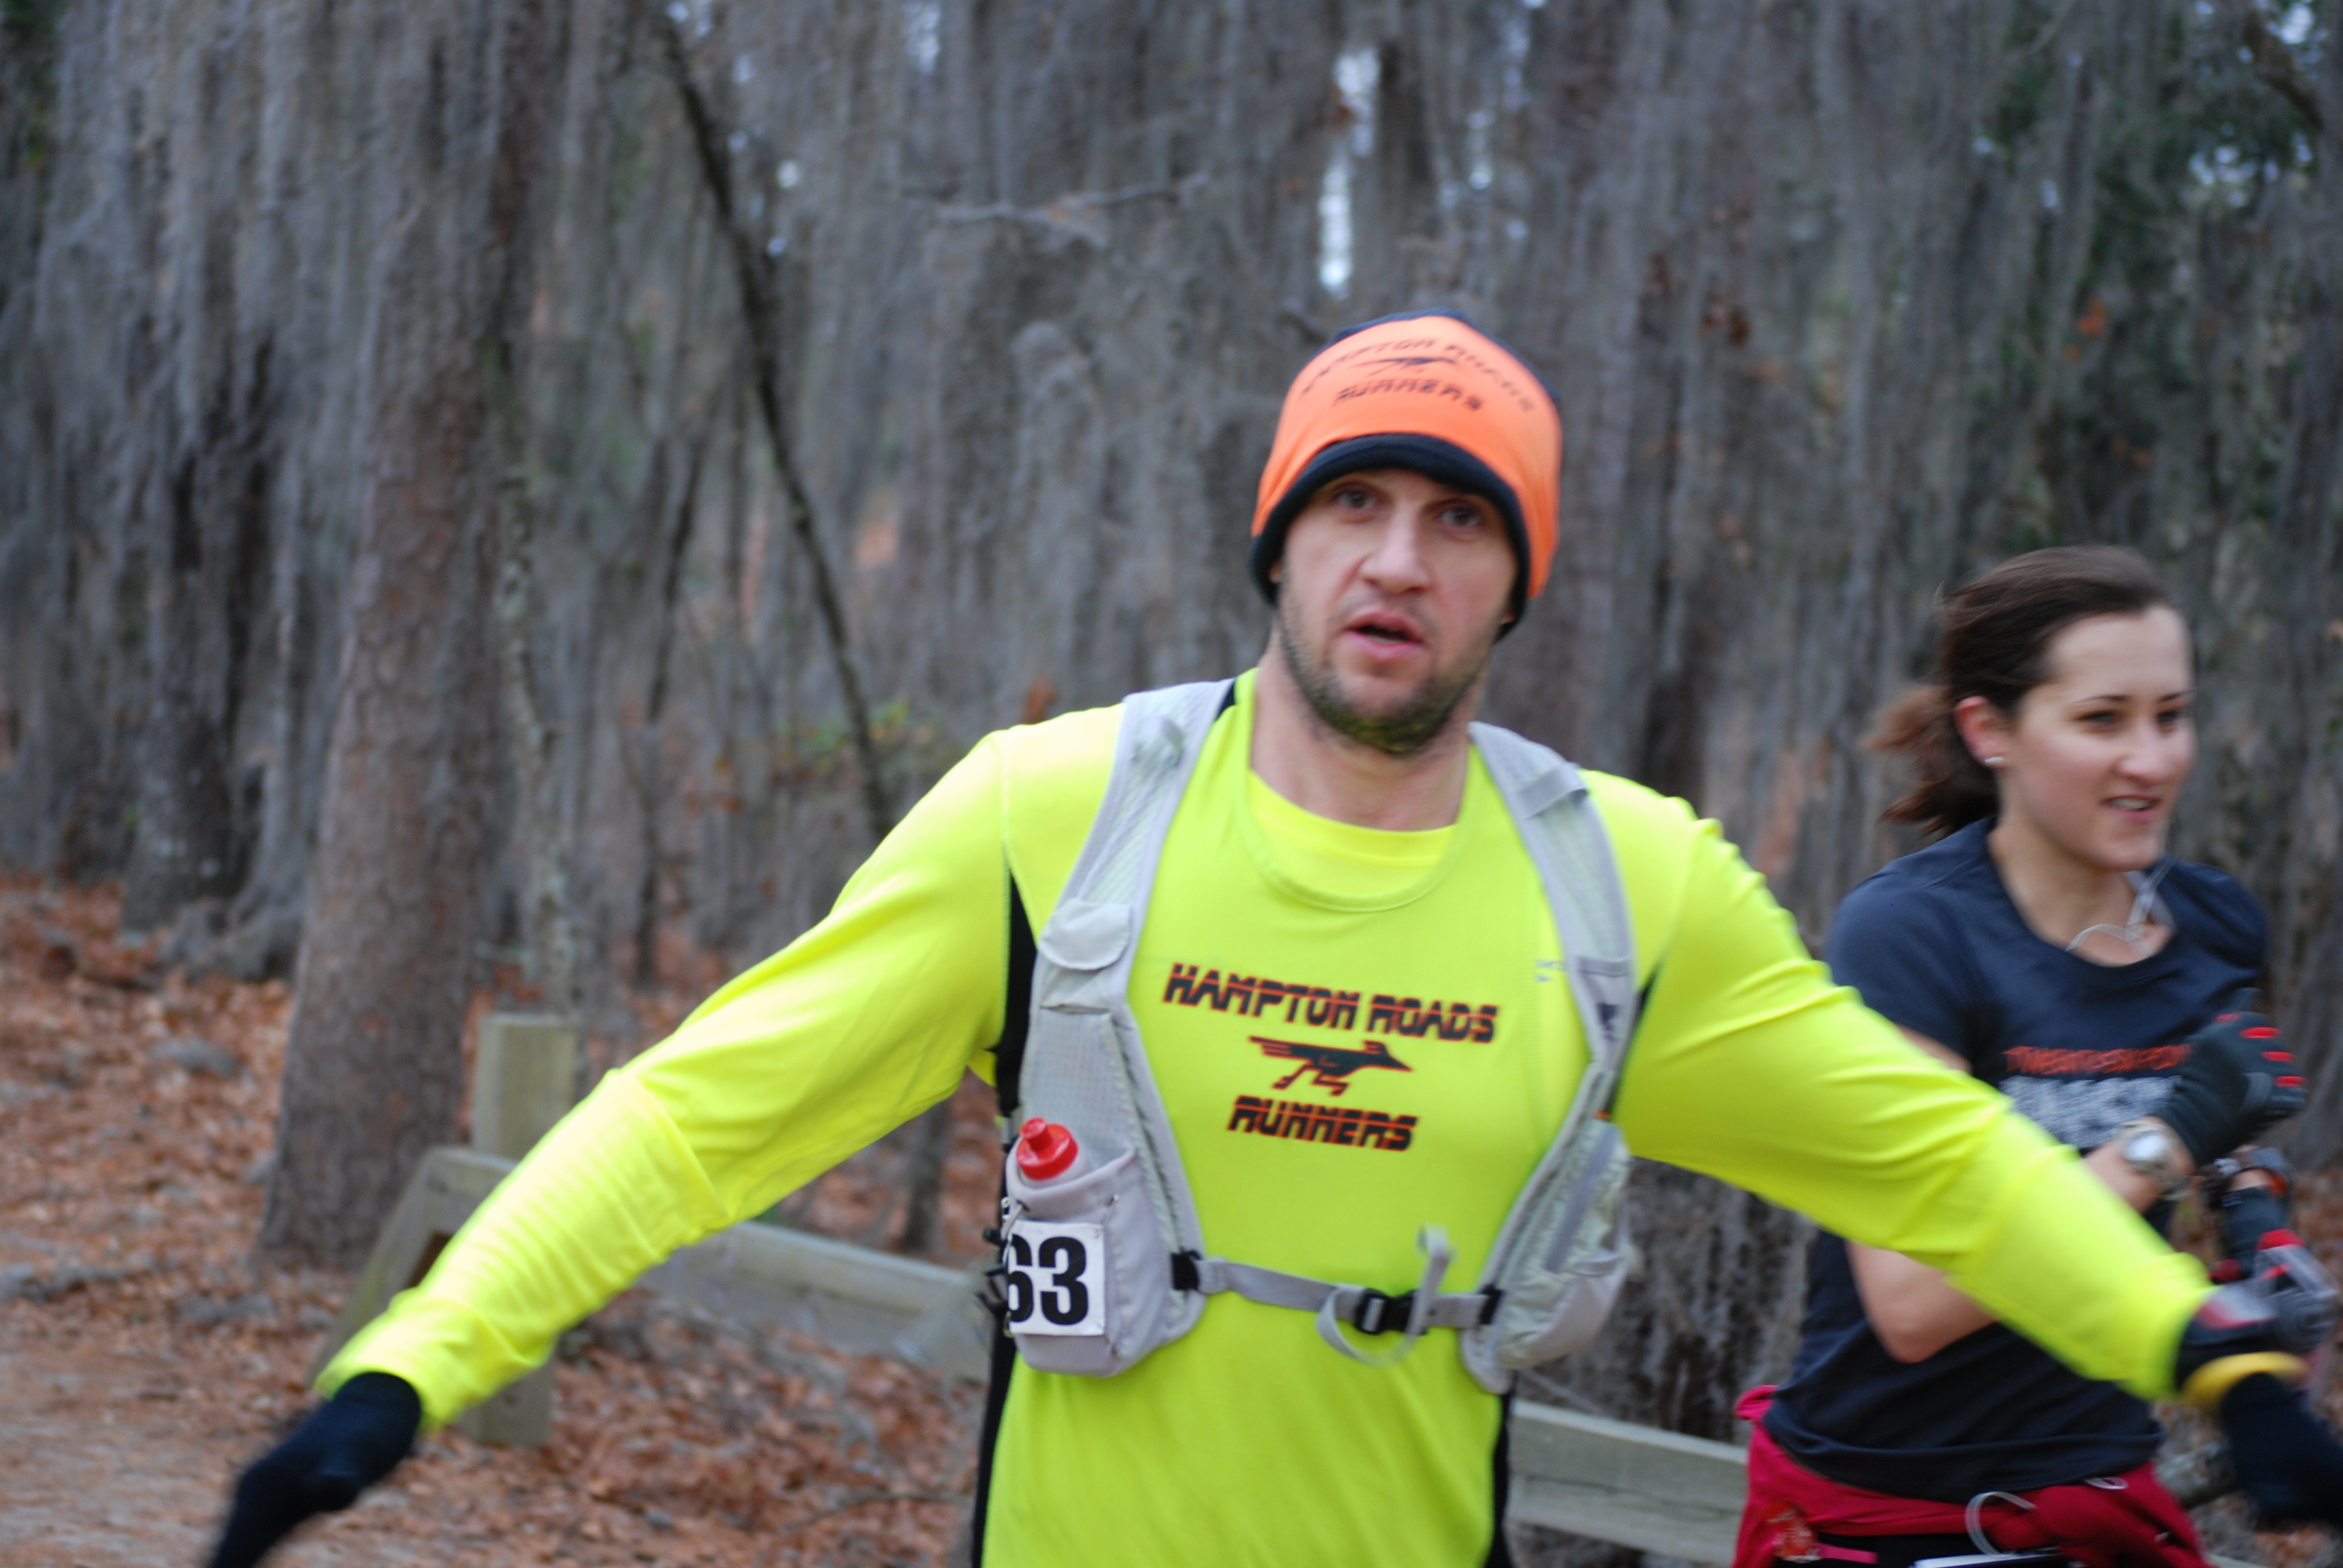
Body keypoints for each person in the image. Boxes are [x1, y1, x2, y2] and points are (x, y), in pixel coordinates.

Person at [208, 316, 2339, 1568]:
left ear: (1515, 582)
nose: (1397, 561)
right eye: (1354, 504)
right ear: (1283, 536)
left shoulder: (1628, 888)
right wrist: (416, 1363)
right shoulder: (1054, 818)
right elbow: (697, 1119)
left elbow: (1932, 1161)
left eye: (1459, 519)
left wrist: (2195, 1346)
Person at [1739, 547, 2341, 1568]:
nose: (2151, 760)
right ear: (1991, 731)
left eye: (2172, 716)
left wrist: (2259, 1228)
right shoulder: (1913, 934)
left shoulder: (2214, 925)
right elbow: (1913, 1301)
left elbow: (2232, 1119)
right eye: (2103, 720)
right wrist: (2169, 1138)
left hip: (2097, 1477)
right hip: (1890, 1502)